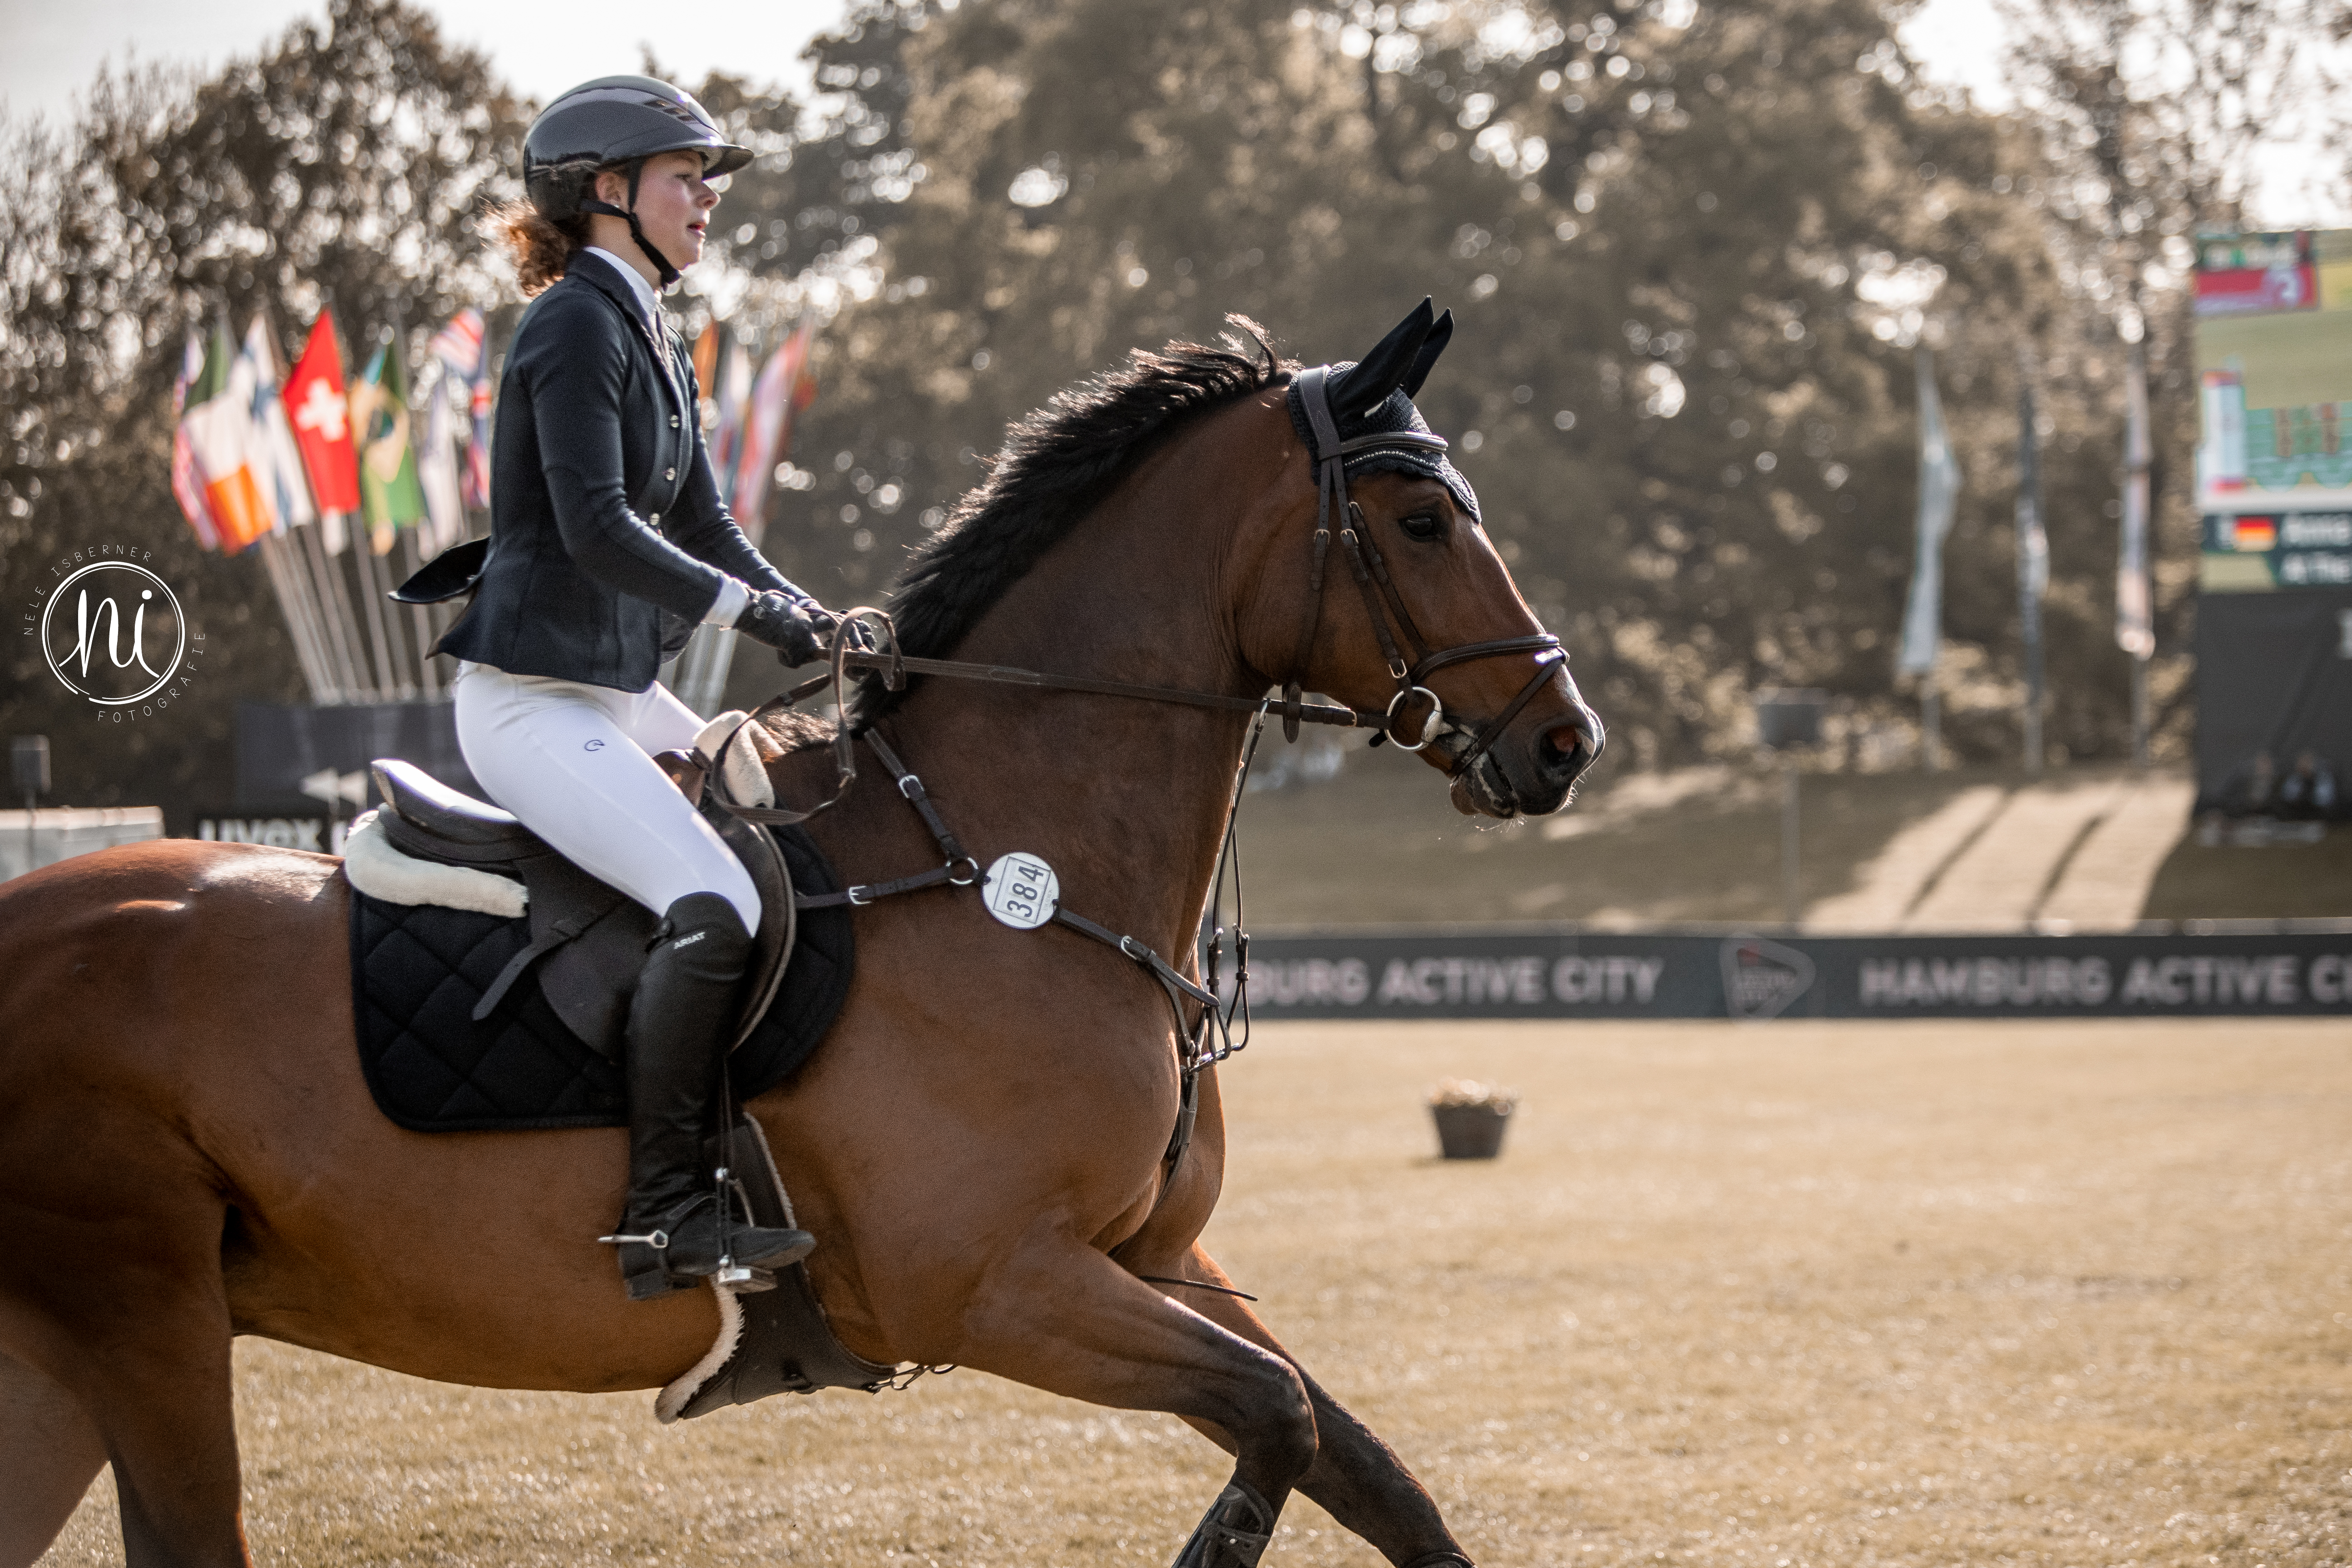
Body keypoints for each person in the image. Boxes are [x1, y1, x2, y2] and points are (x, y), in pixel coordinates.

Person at [430, 75, 836, 1301]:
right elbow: (600, 530)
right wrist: (751, 613)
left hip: (609, 695)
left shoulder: (656, 331)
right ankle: (663, 1213)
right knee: (712, 901)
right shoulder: (569, 324)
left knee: (785, 841)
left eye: (711, 179)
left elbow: (709, 523)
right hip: (530, 705)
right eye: (687, 176)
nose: (710, 200)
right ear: (610, 193)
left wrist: (809, 614)